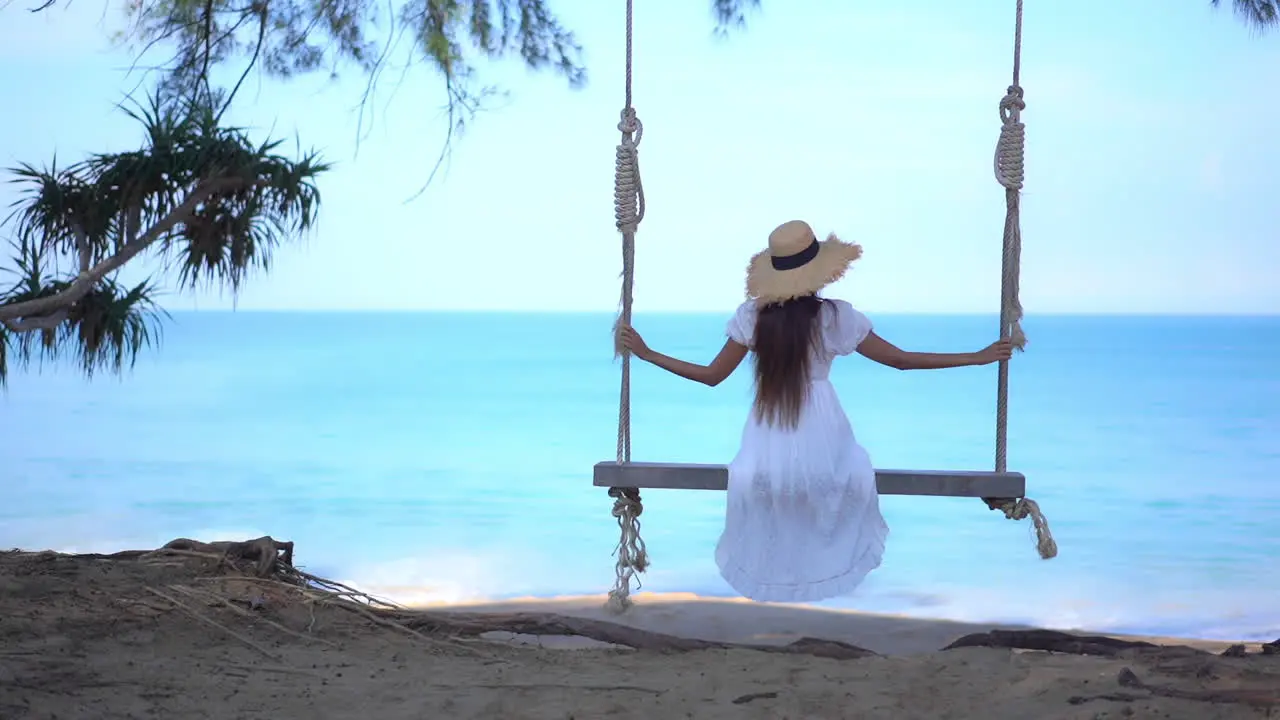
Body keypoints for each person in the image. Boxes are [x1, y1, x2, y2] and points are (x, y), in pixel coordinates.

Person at [616, 219, 1014, 603]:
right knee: (841, 485)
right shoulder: (835, 317)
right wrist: (976, 358)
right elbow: (901, 360)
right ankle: (821, 561)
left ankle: (784, 567)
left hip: (770, 425)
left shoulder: (753, 318)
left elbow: (710, 376)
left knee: (768, 486)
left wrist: (649, 354)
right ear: (819, 272)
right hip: (824, 425)